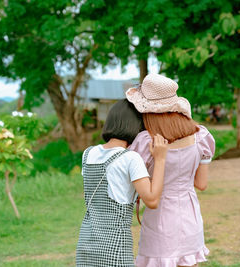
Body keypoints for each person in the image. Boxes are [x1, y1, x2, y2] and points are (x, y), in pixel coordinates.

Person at [126, 73, 215, 267]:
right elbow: (201, 184)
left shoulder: (145, 141)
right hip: (190, 218)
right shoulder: (201, 136)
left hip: (160, 222)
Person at [76, 99, 168, 267]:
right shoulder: (130, 158)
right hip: (115, 246)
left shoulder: (87, 154)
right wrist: (160, 159)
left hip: (86, 243)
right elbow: (152, 200)